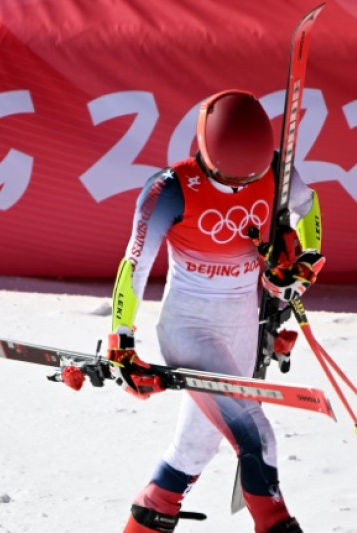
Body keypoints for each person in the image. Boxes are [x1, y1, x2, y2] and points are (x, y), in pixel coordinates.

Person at [81, 90, 324, 533]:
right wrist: (122, 339)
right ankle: (276, 523)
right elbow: (134, 265)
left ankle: (151, 513)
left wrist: (303, 262)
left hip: (243, 326)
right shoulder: (169, 189)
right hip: (190, 328)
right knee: (256, 436)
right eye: (228, 181)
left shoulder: (277, 169)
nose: (239, 188)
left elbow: (308, 208)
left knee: (194, 449)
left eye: (249, 180)